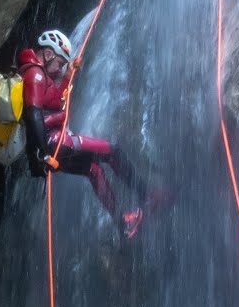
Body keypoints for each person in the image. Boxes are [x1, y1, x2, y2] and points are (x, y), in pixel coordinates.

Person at [20, 29, 149, 239]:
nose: (60, 68)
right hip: (54, 143)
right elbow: (33, 113)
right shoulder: (34, 73)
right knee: (112, 150)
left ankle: (123, 223)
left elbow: (51, 101)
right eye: (60, 63)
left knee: (93, 170)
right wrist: (44, 154)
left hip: (50, 146)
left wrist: (68, 76)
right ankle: (146, 196)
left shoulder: (41, 75)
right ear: (49, 54)